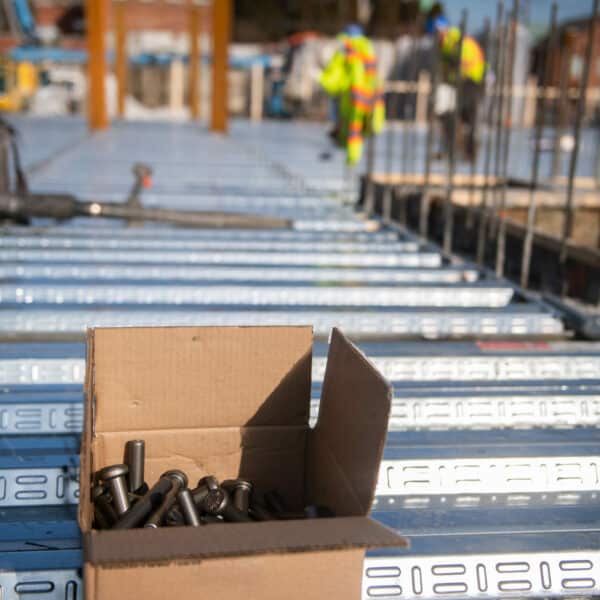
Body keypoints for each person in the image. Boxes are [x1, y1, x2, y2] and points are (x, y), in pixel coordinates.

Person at [319, 24, 385, 165]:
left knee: (350, 129)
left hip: (351, 97)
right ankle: (352, 158)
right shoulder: (368, 50)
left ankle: (350, 158)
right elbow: (373, 77)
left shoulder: (348, 50)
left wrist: (323, 80)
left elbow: (337, 75)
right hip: (368, 98)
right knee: (357, 131)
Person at [428, 5, 485, 162]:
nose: (436, 38)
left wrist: (454, 70)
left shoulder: (455, 42)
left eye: (437, 34)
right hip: (462, 84)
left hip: (471, 82)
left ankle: (467, 152)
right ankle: (455, 149)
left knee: (462, 117)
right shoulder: (446, 45)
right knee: (450, 115)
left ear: (442, 31)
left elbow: (464, 65)